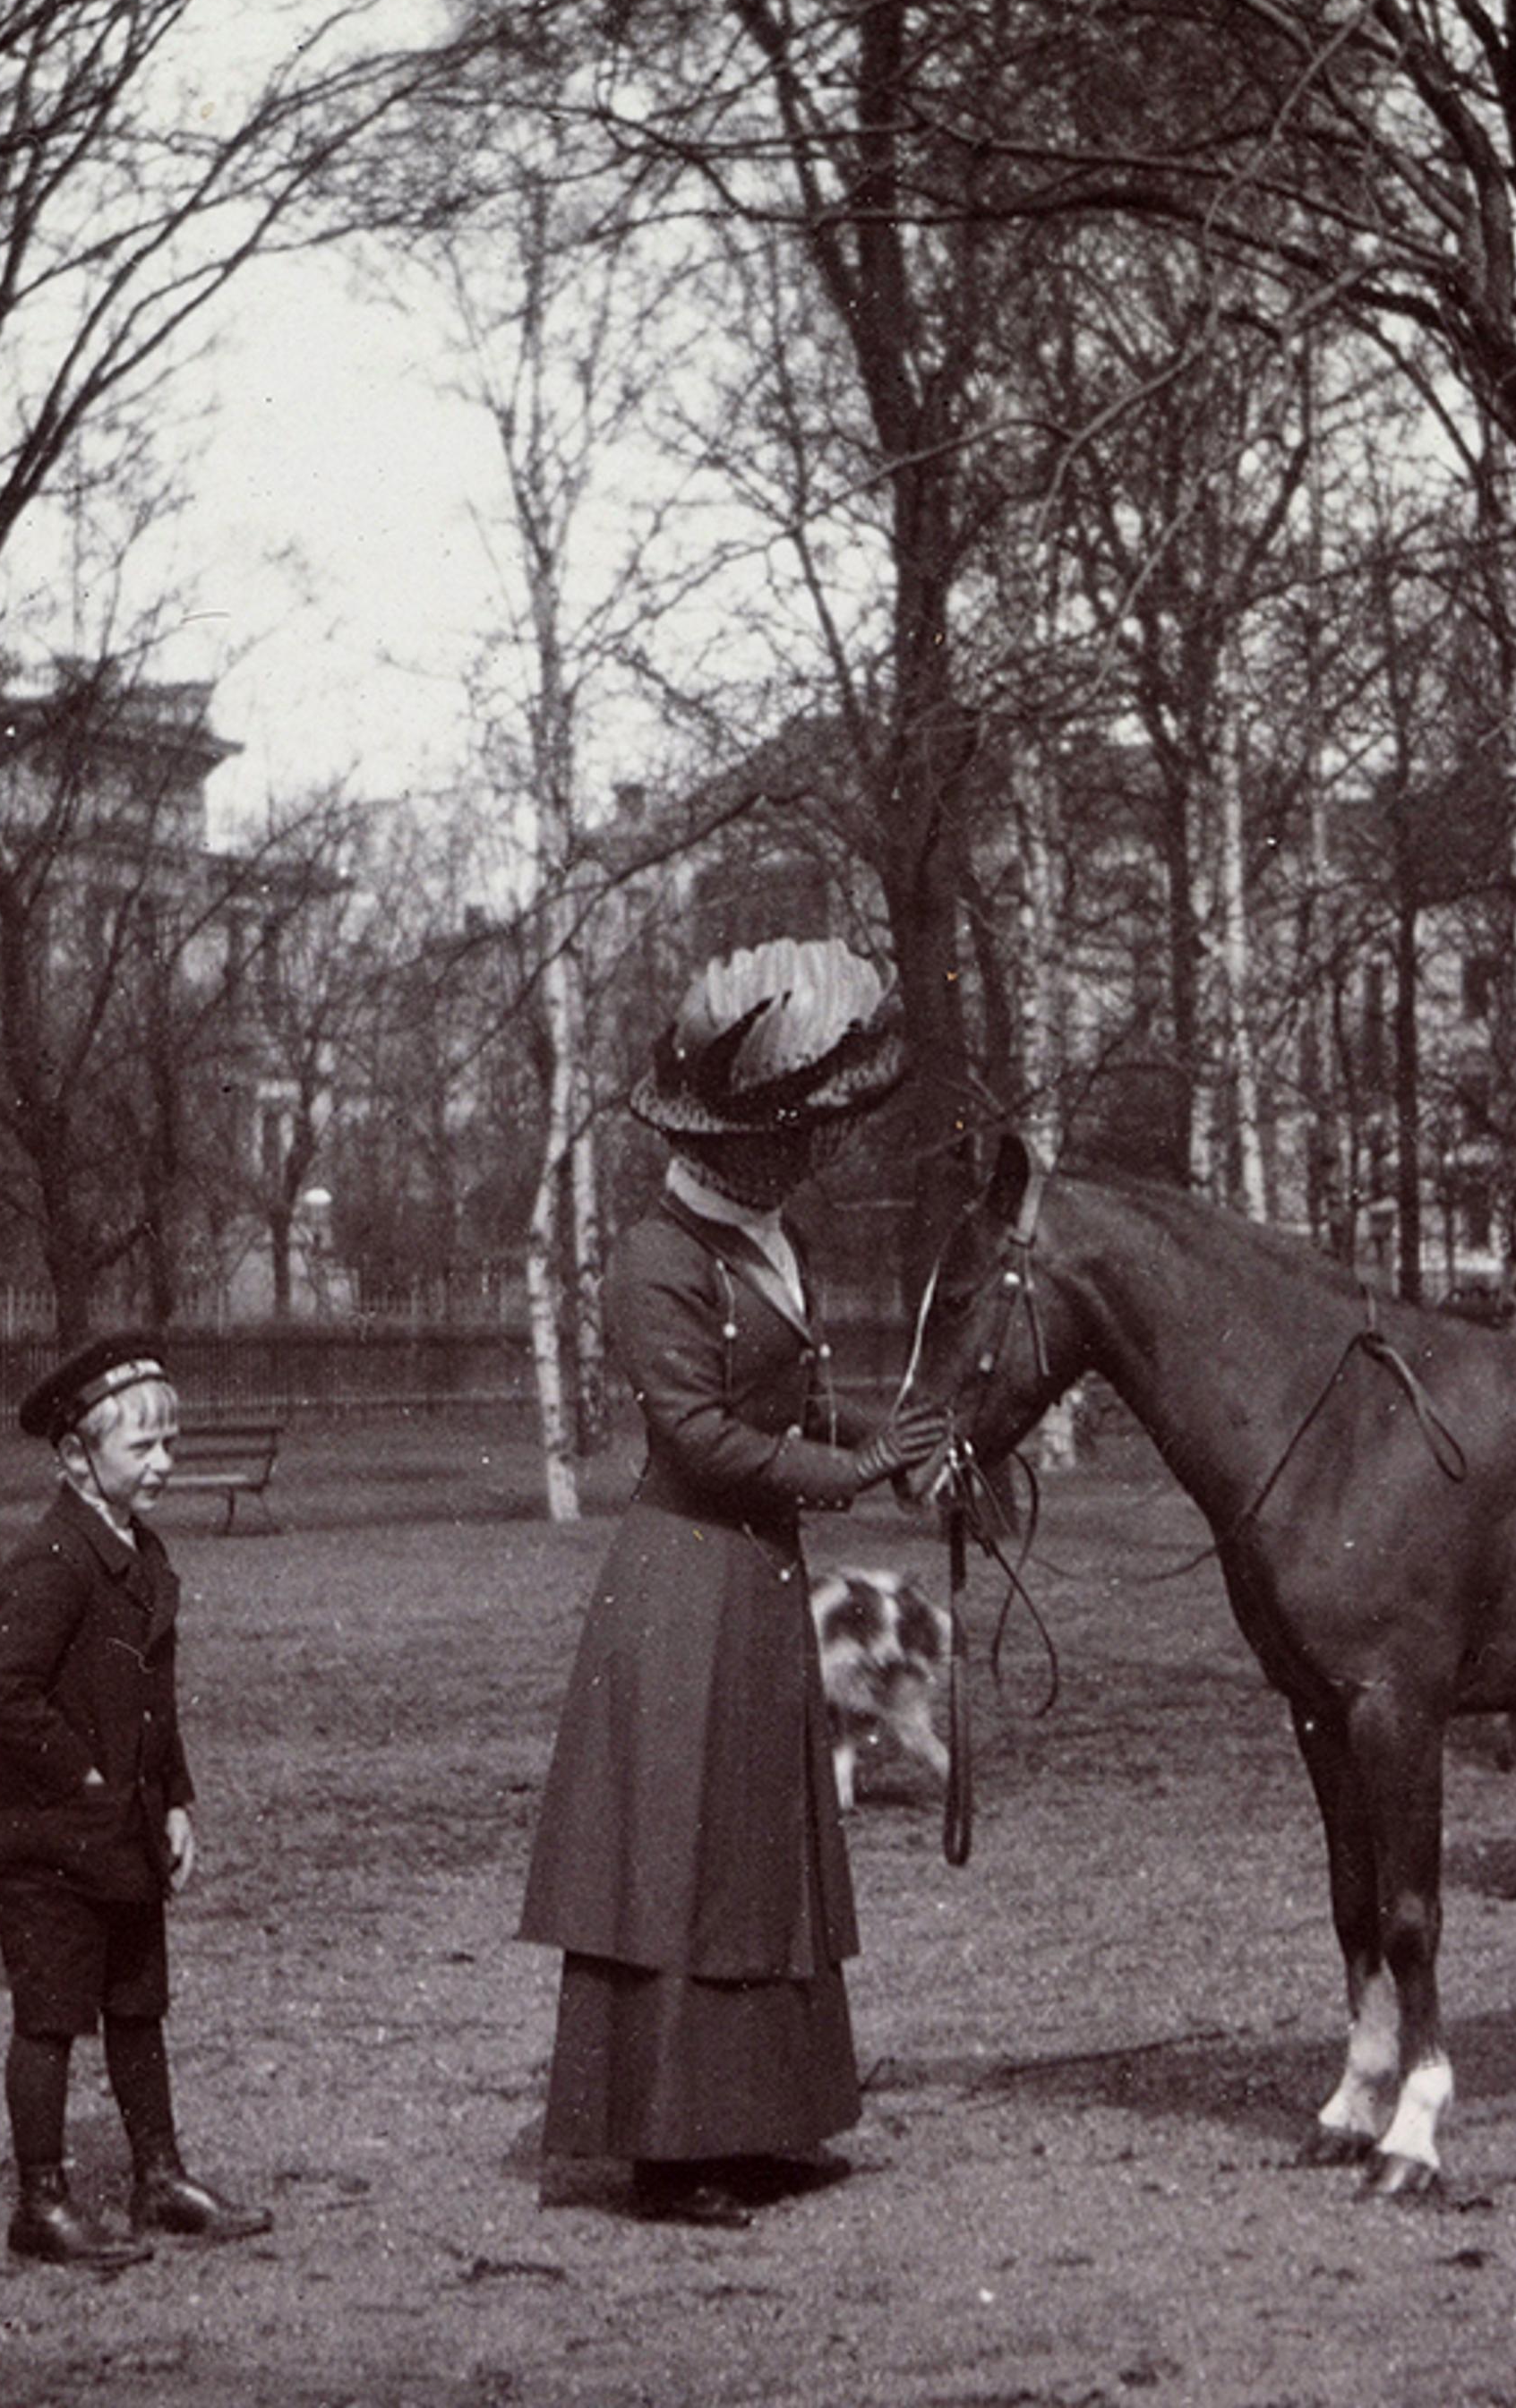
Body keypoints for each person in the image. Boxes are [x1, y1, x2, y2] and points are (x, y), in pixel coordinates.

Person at [518, 938, 952, 2228]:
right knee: (681, 1866)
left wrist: (898, 1444)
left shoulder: (770, 1237)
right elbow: (699, 1440)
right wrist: (851, 1467)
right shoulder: (657, 1258)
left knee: (760, 1851)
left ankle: (760, 2124)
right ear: (736, 1138)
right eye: (797, 1134)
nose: (812, 1156)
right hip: (684, 1586)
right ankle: (667, 2150)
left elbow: (799, 1399)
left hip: (756, 1583)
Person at [0, 1334, 274, 2267]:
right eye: (141, 1449)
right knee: (51, 2017)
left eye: (169, 1446)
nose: (163, 1465)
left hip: (129, 1837)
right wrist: (83, 1776)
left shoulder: (139, 1555)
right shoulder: (56, 1561)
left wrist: (176, 1799)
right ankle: (42, 2202)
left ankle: (158, 2177)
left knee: (139, 2005)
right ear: (75, 1457)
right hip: (53, 1848)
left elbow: (153, 1700)